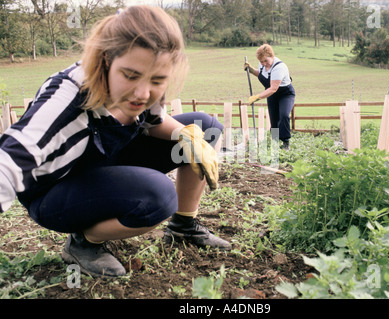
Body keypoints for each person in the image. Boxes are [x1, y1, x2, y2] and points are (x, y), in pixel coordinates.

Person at [0, 5, 231, 278]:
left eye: (158, 80)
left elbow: (153, 121)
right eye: (130, 76)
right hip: (56, 192)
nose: (143, 93)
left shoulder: (146, 78)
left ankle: (183, 226)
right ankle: (83, 242)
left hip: (104, 160)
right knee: (157, 197)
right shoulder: (66, 99)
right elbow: (8, 163)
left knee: (204, 128)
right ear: (106, 59)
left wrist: (187, 136)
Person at [244, 44, 295, 150]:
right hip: (271, 95)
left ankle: (285, 142)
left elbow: (273, 88)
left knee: (284, 115)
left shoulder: (279, 67)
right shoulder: (262, 64)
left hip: (285, 94)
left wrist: (257, 97)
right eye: (261, 61)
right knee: (274, 119)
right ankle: (275, 143)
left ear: (272, 56)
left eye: (266, 61)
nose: (264, 64)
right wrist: (252, 70)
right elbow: (263, 75)